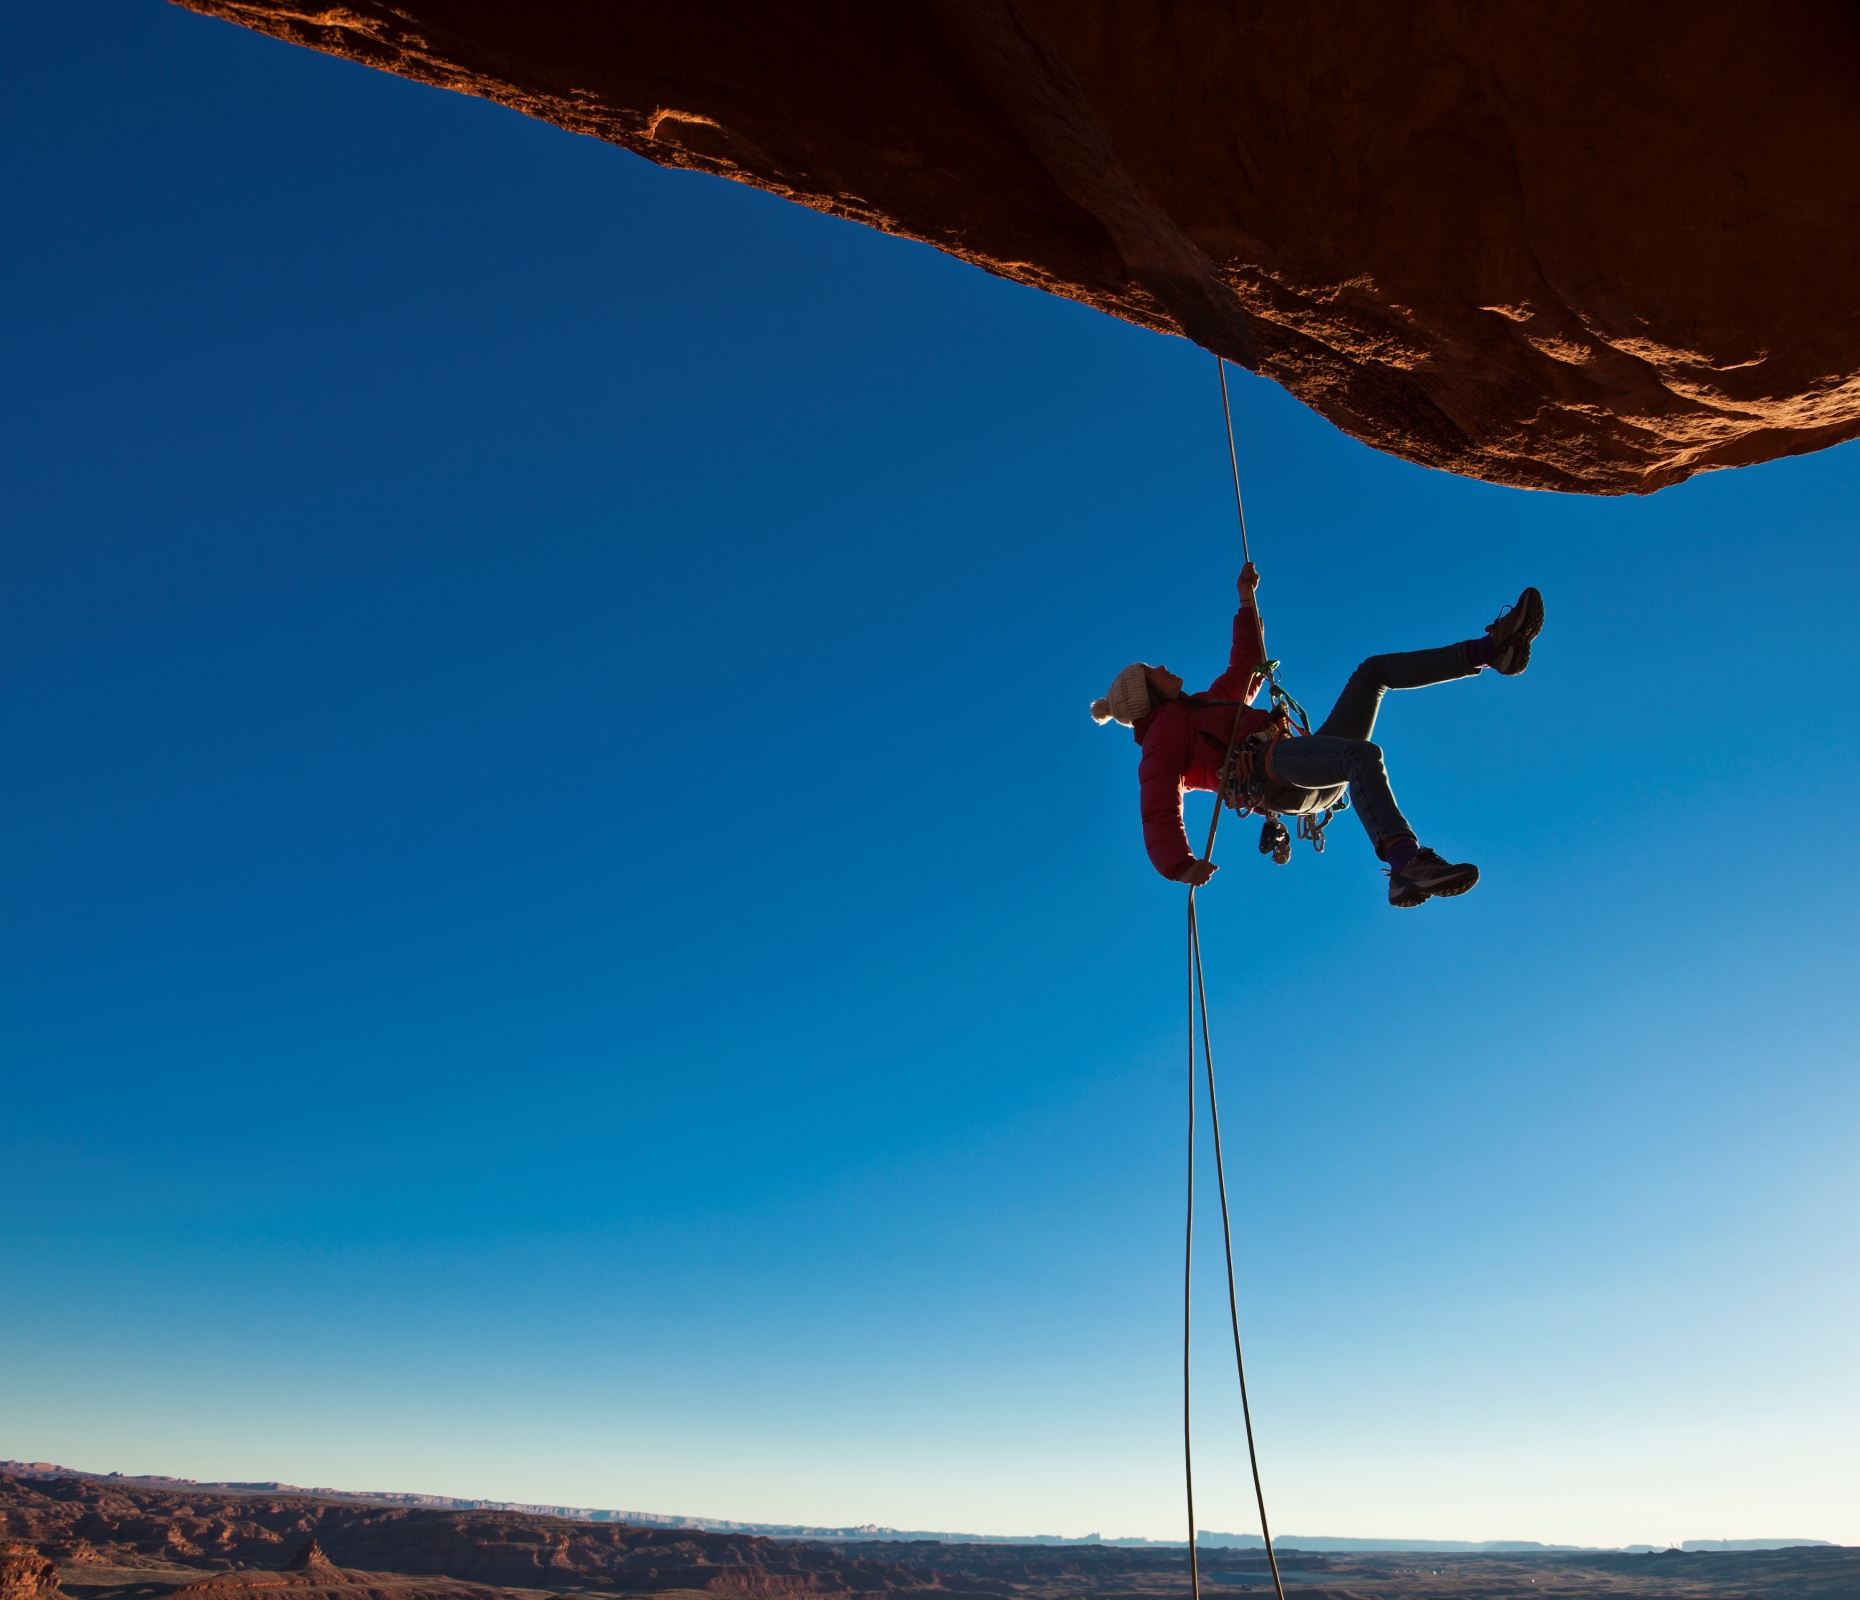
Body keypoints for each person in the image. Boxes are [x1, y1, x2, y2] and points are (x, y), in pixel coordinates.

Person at [1091, 565, 1544, 907]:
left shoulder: (1205, 703)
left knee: (1373, 673)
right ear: (1149, 693)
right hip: (1273, 774)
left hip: (1298, 767)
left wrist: (1246, 600)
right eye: (1154, 671)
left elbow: (1247, 664)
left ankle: (1492, 650)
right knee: (1362, 756)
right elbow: (1157, 807)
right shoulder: (1162, 738)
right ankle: (1404, 863)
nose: (1165, 667)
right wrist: (1180, 864)